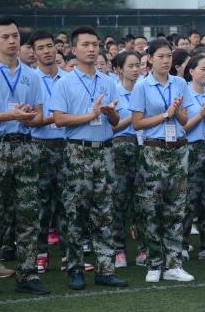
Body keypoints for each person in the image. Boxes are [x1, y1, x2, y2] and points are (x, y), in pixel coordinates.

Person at [0, 15, 48, 297]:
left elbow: (39, 116)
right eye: (6, 37)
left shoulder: (31, 74)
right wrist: (10, 115)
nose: (13, 41)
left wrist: (28, 118)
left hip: (25, 145)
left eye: (16, 35)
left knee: (28, 214)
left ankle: (27, 274)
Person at [49, 26, 128, 290]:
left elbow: (116, 122)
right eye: (85, 45)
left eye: (95, 44)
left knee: (104, 212)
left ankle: (105, 269)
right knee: (75, 213)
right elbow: (59, 119)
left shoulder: (108, 81)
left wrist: (108, 113)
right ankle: (75, 269)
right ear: (74, 49)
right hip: (77, 150)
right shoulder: (65, 82)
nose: (92, 49)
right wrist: (90, 115)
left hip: (104, 149)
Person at [130, 39, 195, 283]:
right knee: (151, 208)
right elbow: (137, 123)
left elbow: (186, 121)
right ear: (150, 59)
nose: (166, 60)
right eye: (161, 56)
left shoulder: (179, 83)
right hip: (153, 151)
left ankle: (173, 264)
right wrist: (164, 115)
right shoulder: (142, 86)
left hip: (178, 150)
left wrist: (176, 111)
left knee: (175, 209)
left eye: (169, 56)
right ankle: (154, 263)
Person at [29, 31, 69, 275]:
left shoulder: (69, 78)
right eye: (41, 48)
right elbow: (30, 119)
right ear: (33, 53)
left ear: (57, 48)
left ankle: (68, 255)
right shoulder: (30, 79)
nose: (47, 51)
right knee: (41, 204)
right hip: (40, 145)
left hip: (66, 145)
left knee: (67, 204)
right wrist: (56, 118)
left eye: (50, 46)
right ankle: (41, 253)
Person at [110, 51, 147, 268]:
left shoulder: (145, 88)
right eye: (130, 66)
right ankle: (119, 250)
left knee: (141, 201)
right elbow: (112, 125)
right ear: (119, 69)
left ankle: (143, 249)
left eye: (138, 65)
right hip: (120, 148)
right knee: (118, 200)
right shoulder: (113, 91)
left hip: (143, 146)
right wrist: (132, 118)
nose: (135, 70)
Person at [181, 54, 205, 261]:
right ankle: (182, 244)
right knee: (189, 198)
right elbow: (182, 127)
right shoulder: (184, 93)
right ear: (191, 71)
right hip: (191, 148)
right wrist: (200, 115)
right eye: (202, 69)